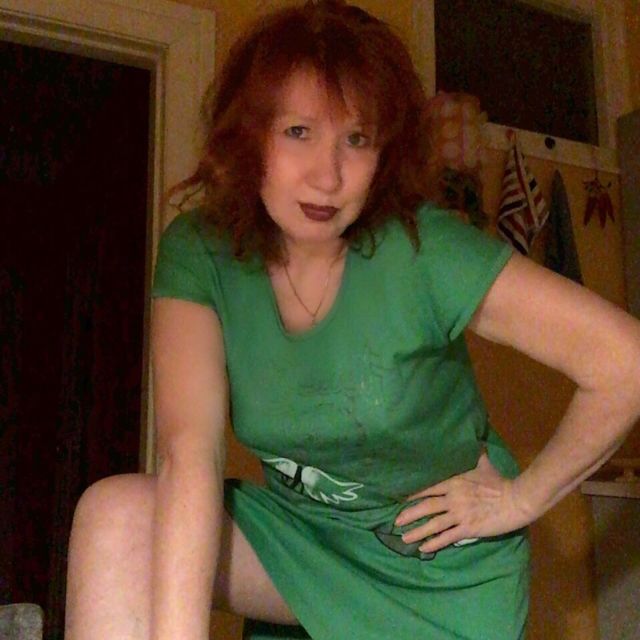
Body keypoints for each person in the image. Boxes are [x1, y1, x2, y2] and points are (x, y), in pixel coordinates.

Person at [64, 2, 640, 639]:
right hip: (302, 544)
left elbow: (625, 362)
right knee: (115, 519)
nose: (328, 176)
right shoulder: (201, 251)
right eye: (298, 132)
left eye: (356, 140)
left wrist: (520, 498)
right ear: (249, 135)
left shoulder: (426, 250)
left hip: (436, 574)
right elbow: (188, 456)